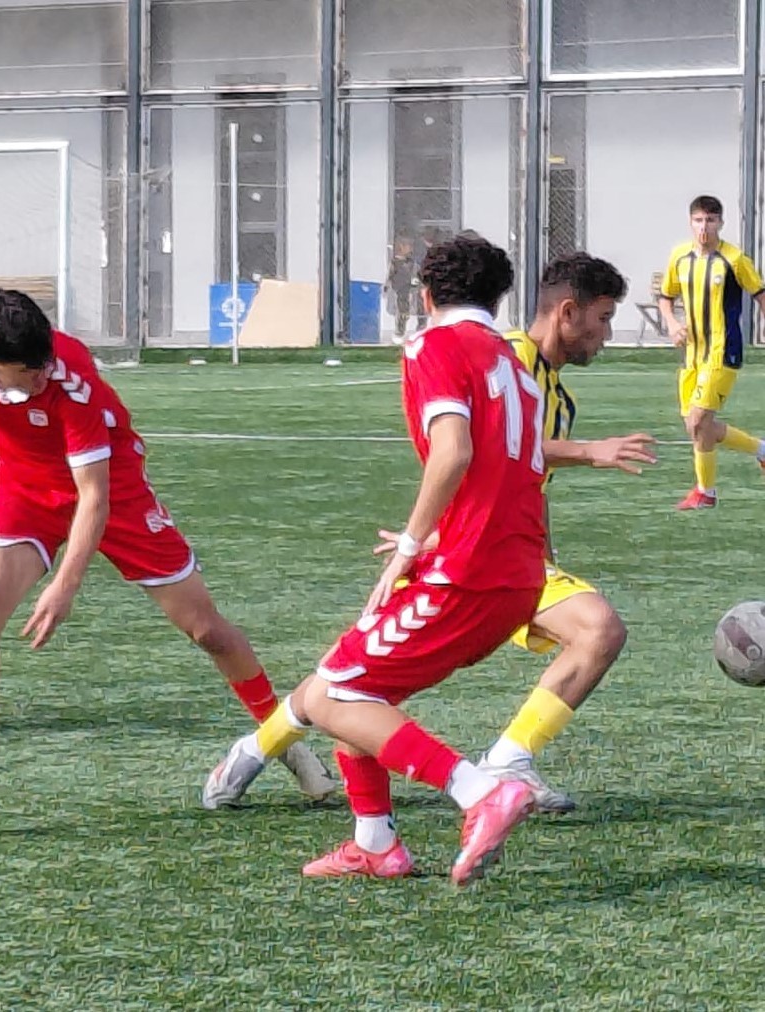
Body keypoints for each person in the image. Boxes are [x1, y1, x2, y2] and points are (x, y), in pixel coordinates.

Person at [201, 234, 547, 886]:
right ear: (499, 298)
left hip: (466, 571)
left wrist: (412, 548)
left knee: (337, 693)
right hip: (516, 571)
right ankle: (376, 843)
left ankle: (479, 791)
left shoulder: (433, 345)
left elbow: (454, 454)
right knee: (343, 682)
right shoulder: (514, 363)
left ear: (423, 293)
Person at [0, 288, 337, 814]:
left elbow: (94, 497)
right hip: (27, 486)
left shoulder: (72, 380)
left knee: (206, 630)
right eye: (30, 371)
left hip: (114, 488)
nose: (43, 376)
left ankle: (285, 741)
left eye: (45, 365)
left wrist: (64, 585)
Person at [381, 254, 655, 813]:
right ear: (568, 312)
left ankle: (507, 761)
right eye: (602, 319)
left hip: (505, 552)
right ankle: (260, 749)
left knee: (596, 631)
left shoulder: (555, 390)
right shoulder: (504, 355)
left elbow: (529, 479)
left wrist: (546, 556)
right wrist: (589, 451)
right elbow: (483, 450)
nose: (606, 335)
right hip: (470, 551)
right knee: (358, 681)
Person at [658, 195, 765, 509]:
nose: (704, 227)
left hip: (723, 351)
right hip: (692, 355)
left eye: (710, 220)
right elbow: (665, 296)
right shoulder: (679, 256)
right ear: (691, 222)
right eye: (699, 220)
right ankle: (760, 452)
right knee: (699, 428)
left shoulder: (733, 259)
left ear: (721, 222)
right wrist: (671, 323)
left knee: (698, 419)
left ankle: (706, 492)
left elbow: (760, 293)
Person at [386, 235, 420, 340]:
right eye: (408, 246)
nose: (410, 249)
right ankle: (399, 331)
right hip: (399, 289)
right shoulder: (395, 262)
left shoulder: (411, 262)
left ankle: (409, 329)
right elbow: (390, 275)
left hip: (408, 288)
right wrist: (387, 284)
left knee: (407, 310)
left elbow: (415, 274)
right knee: (401, 310)